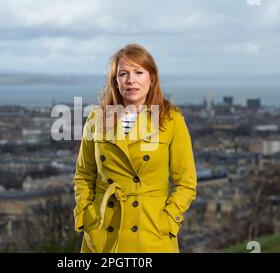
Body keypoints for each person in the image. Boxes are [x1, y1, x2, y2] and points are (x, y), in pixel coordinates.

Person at [73, 44, 197, 253]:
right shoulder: (96, 120)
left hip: (151, 233)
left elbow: (186, 183)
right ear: (115, 81)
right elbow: (83, 175)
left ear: (152, 78)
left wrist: (168, 220)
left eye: (138, 72)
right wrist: (87, 216)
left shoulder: (171, 119)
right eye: (123, 73)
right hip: (104, 233)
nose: (131, 80)